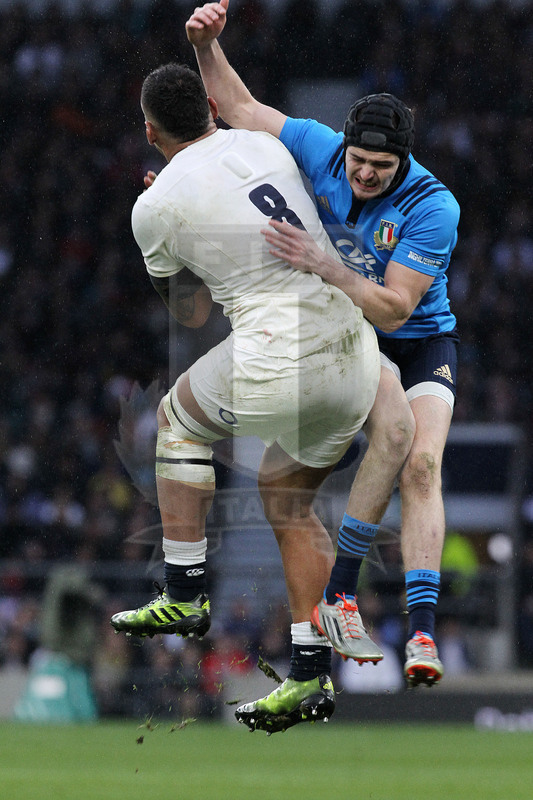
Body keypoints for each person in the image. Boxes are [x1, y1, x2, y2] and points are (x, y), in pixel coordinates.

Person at [186, 0, 461, 688]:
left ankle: (422, 633)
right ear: (345, 145)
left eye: (381, 166)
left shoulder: (432, 205)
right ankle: (342, 591)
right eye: (360, 162)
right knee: (387, 441)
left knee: (422, 467)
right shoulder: (320, 146)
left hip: (417, 337)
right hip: (351, 336)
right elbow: (239, 106)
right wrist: (205, 46)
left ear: (404, 161)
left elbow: (397, 309)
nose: (365, 175)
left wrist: (323, 262)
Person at [110, 62, 381, 733]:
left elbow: (193, 313)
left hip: (281, 345)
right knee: (286, 498)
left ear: (149, 131)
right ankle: (312, 674)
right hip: (354, 348)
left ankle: (182, 592)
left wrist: (167, 234)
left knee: (175, 419)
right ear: (208, 106)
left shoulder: (156, 206)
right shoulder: (263, 144)